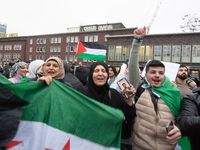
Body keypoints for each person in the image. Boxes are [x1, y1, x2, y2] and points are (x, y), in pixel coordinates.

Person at [128, 26, 182, 150]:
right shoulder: (140, 88)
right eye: (153, 72)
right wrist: (137, 41)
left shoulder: (174, 93)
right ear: (146, 75)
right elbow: (132, 65)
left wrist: (181, 129)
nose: (157, 75)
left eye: (160, 73)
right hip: (140, 146)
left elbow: (184, 118)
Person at [81, 62, 136, 150]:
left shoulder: (114, 94)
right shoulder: (82, 93)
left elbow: (128, 119)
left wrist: (128, 102)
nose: (100, 73)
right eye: (96, 71)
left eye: (103, 71)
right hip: (87, 143)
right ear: (91, 74)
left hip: (110, 144)